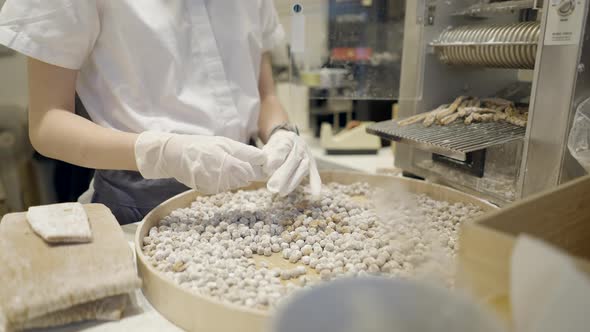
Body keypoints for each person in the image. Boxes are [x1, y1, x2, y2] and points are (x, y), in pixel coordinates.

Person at [0, 1, 321, 224]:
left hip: (249, 196)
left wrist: (281, 134)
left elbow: (265, 94)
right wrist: (163, 152)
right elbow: (47, 123)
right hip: (136, 206)